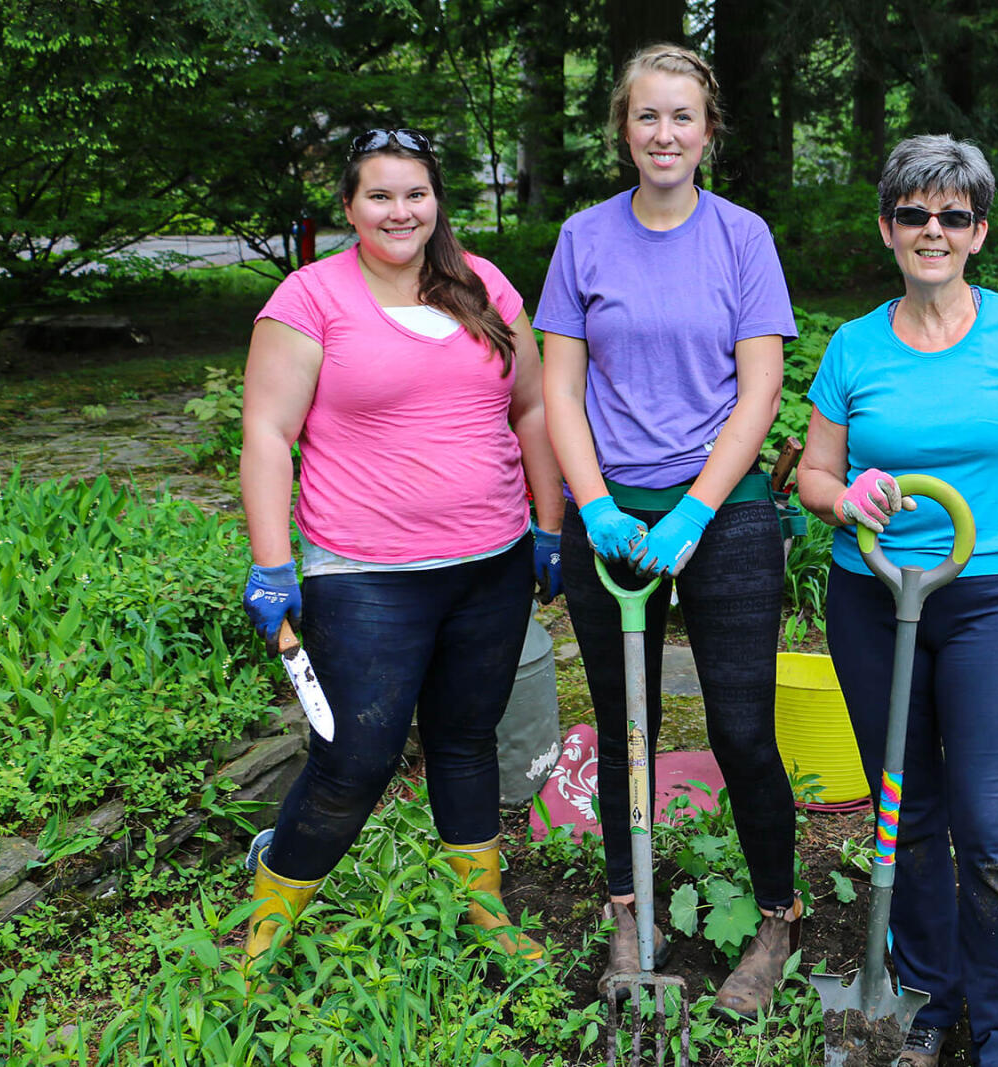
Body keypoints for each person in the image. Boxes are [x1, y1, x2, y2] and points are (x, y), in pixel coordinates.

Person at [238, 127, 564, 972]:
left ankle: (482, 910)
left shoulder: (483, 284)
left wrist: (549, 523)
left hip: (490, 563)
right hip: (365, 573)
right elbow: (268, 433)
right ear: (349, 206)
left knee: (466, 738)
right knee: (356, 756)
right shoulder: (309, 299)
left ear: (436, 201)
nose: (399, 211)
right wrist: (273, 563)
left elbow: (531, 410)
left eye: (414, 193)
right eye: (379, 195)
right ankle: (269, 916)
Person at [532, 44, 800, 1017]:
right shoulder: (582, 239)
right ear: (623, 128)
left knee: (739, 727)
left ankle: (777, 912)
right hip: (609, 511)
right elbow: (560, 383)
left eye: (682, 117)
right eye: (647, 117)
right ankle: (626, 913)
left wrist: (693, 509)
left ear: (709, 131)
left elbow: (760, 387)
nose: (664, 135)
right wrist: (594, 505)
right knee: (625, 730)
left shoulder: (742, 238)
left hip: (721, 511)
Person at [798, 134, 998, 1067]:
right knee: (903, 809)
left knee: (992, 826)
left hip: (988, 596)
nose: (933, 230)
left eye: (952, 215)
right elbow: (812, 474)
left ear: (978, 232)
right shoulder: (852, 346)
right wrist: (848, 496)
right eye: (914, 213)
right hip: (874, 595)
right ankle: (923, 995)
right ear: (888, 228)